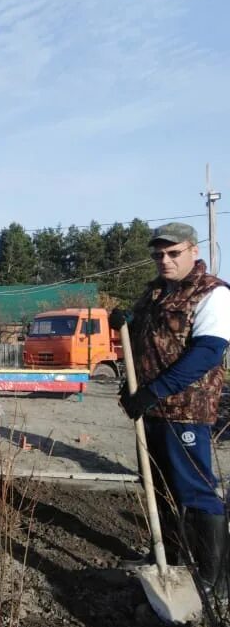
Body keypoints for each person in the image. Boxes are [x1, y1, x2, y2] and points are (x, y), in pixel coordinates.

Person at [118, 222, 230, 599]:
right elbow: (140, 343)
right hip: (149, 408)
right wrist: (126, 324)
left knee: (194, 490)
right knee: (158, 486)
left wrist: (154, 391)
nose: (164, 261)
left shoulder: (212, 293)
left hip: (186, 410)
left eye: (173, 253)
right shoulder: (153, 293)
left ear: (192, 250)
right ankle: (166, 557)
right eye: (158, 255)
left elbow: (206, 353)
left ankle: (213, 575)